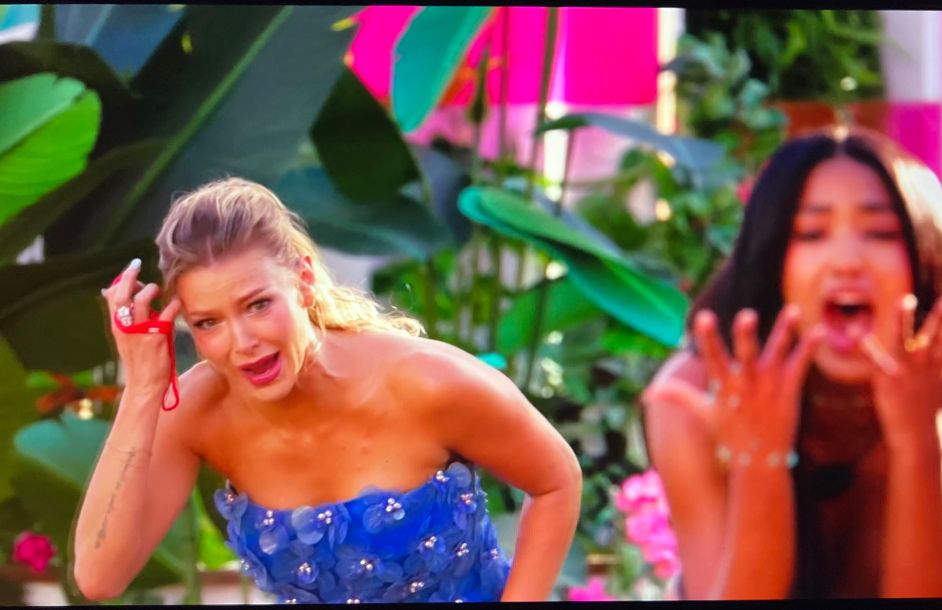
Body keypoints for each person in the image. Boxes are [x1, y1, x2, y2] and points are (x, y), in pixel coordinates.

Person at [73, 178, 582, 603]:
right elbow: (99, 578)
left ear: (303, 279)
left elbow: (557, 481)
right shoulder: (199, 412)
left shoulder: (427, 382)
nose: (242, 343)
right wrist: (143, 390)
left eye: (257, 305)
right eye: (209, 322)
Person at [641, 125, 942, 599]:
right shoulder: (697, 395)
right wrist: (759, 459)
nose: (847, 261)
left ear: (927, 256)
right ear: (770, 261)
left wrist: (923, 442)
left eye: (881, 232)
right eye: (811, 233)